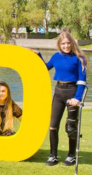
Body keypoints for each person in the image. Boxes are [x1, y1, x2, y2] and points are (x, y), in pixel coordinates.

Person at [33, 31, 88, 166]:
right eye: (63, 43)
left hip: (72, 92)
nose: (66, 46)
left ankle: (71, 156)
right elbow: (45, 68)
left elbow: (82, 80)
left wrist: (77, 98)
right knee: (52, 126)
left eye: (68, 43)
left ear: (72, 43)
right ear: (59, 44)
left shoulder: (80, 58)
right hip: (58, 92)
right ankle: (53, 156)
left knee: (71, 127)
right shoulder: (56, 56)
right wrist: (38, 55)